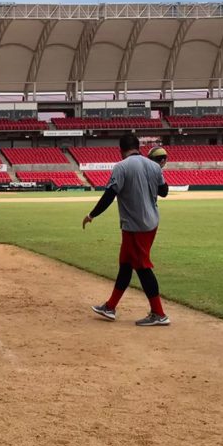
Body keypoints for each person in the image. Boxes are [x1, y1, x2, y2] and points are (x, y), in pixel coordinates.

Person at [83, 133, 170, 327]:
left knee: (142, 267)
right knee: (125, 264)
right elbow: (164, 192)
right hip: (149, 223)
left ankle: (159, 313)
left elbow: (110, 194)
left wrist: (92, 215)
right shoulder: (153, 165)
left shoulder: (121, 167)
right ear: (137, 146)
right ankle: (110, 306)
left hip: (136, 225)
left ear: (120, 149)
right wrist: (158, 171)